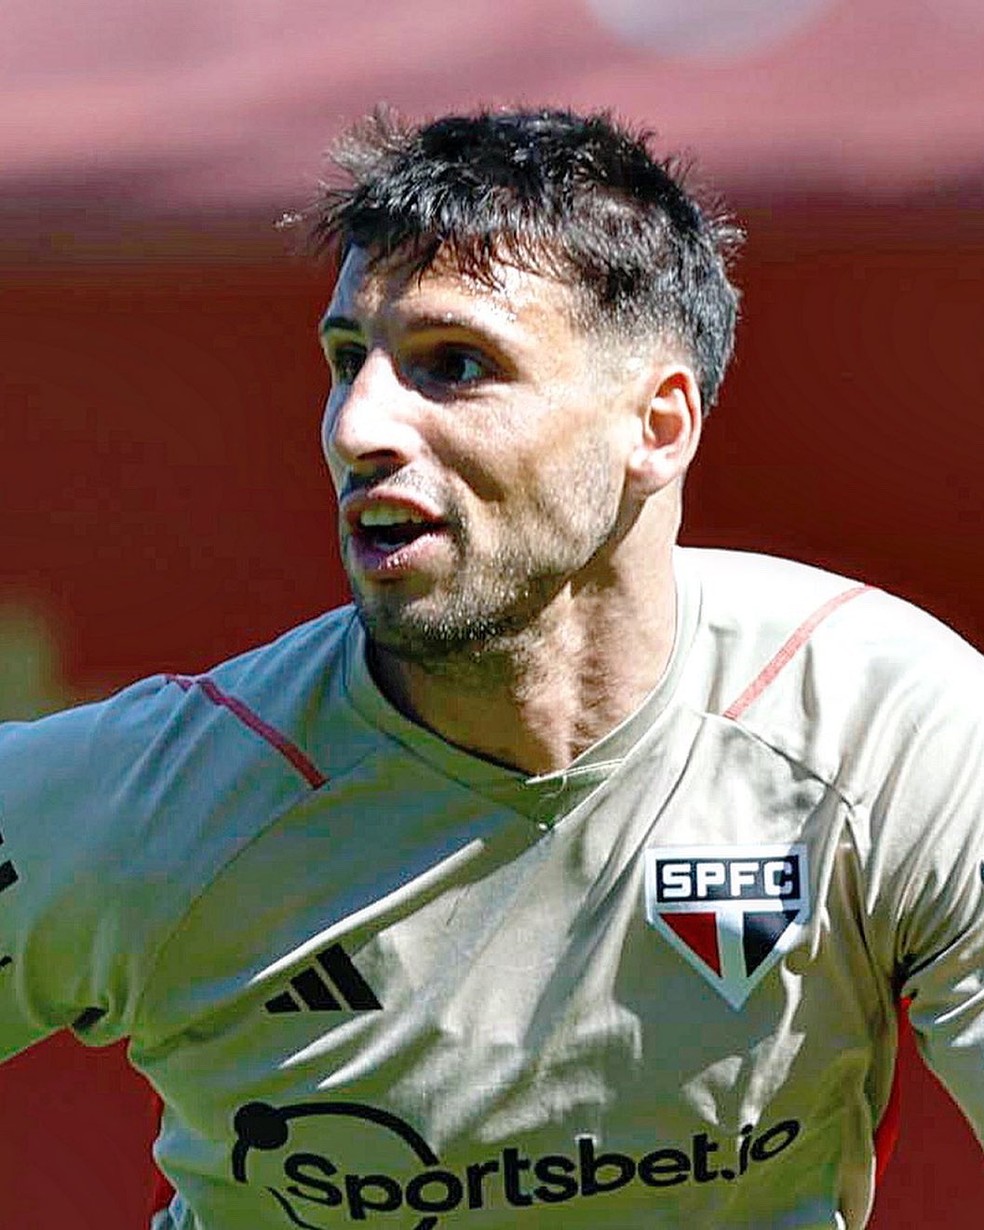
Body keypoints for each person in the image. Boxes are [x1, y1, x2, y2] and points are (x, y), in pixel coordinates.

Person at [0, 107, 981, 1230]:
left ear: (657, 427)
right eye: (345, 360)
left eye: (452, 366)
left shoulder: (890, 729)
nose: (356, 424)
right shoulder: (161, 800)